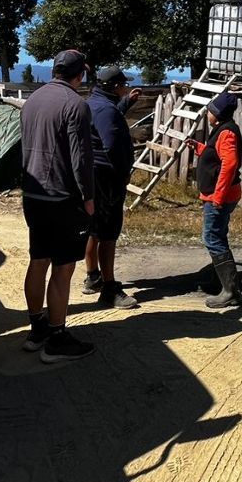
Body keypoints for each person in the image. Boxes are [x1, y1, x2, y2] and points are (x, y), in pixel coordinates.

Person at [19, 49, 96, 362]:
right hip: (62, 198)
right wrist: (89, 199)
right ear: (80, 75)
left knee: (39, 260)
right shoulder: (76, 104)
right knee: (63, 268)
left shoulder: (32, 100)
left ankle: (37, 328)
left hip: (34, 194)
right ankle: (57, 338)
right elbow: (81, 160)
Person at [81, 66, 142, 309]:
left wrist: (126, 103)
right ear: (115, 86)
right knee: (107, 233)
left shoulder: (92, 103)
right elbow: (113, 147)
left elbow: (104, 119)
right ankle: (109, 289)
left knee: (94, 229)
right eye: (123, 85)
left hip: (92, 176)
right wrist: (124, 174)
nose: (125, 87)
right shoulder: (106, 110)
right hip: (107, 178)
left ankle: (93, 276)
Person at [184, 92, 242, 309]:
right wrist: (200, 148)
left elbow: (229, 164)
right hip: (222, 194)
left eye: (210, 109)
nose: (207, 112)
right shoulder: (222, 130)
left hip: (220, 196)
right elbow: (216, 156)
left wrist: (218, 197)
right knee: (218, 235)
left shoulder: (226, 132)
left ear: (216, 114)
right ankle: (222, 280)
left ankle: (231, 291)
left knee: (212, 237)